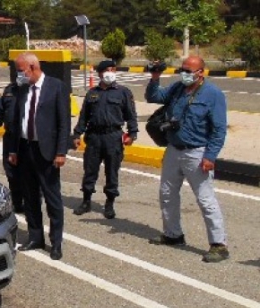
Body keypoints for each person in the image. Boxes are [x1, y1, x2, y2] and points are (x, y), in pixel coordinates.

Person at [145, 55, 229, 263]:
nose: (184, 74)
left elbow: (219, 129)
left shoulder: (213, 94)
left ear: (201, 73)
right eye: (182, 70)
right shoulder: (177, 88)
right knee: (167, 193)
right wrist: (155, 77)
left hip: (197, 152)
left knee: (205, 198)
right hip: (174, 149)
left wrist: (210, 156)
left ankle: (219, 244)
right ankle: (173, 234)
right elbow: (154, 96)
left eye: (188, 71)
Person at [5, 52, 70, 260]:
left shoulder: (55, 86)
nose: (19, 75)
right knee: (30, 197)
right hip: (25, 149)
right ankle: (35, 237)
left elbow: (63, 122)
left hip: (47, 152)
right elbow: (16, 120)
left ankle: (56, 242)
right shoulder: (22, 89)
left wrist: (61, 151)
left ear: (33, 67)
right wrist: (14, 150)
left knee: (52, 198)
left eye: (21, 70)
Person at [72, 59, 139, 219]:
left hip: (113, 137)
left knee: (112, 171)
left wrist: (132, 134)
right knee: (90, 171)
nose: (110, 73)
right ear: (100, 73)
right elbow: (84, 117)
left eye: (113, 70)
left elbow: (131, 115)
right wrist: (76, 134)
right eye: (107, 70)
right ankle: (86, 201)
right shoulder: (92, 93)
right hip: (94, 136)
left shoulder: (123, 92)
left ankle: (109, 203)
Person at [1, 62, 24, 213]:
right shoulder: (9, 90)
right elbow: (2, 110)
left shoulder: (32, 90)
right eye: (17, 71)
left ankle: (30, 200)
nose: (19, 74)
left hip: (25, 138)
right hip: (10, 136)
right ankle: (17, 201)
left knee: (27, 171)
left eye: (22, 71)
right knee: (10, 171)